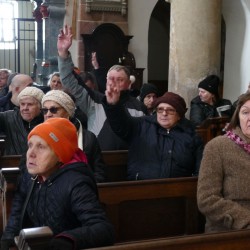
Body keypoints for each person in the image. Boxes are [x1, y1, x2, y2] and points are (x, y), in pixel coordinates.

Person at [0, 118, 115, 250]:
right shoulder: (30, 174)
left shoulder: (75, 183)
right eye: (30, 145)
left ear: (60, 155)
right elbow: (18, 208)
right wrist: (8, 238)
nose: (30, 154)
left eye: (41, 147)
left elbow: (103, 229)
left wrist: (65, 240)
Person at [57, 25, 146, 150]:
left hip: (129, 160)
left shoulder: (139, 107)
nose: (113, 83)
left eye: (119, 80)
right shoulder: (95, 100)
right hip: (98, 160)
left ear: (128, 84)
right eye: (110, 79)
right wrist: (63, 53)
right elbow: (71, 83)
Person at [103, 86, 204, 180]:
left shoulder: (191, 135)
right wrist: (113, 106)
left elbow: (200, 170)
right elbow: (121, 125)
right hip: (140, 189)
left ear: (179, 116)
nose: (164, 114)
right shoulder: (142, 125)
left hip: (178, 193)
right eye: (160, 109)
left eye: (170, 110)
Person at [197, 92, 250, 233]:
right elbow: (207, 199)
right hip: (228, 231)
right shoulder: (218, 147)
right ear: (238, 116)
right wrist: (246, 220)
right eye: (245, 112)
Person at [41, 89, 106, 182]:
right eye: (44, 110)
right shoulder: (36, 136)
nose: (48, 114)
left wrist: (86, 188)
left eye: (53, 110)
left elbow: (99, 172)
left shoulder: (88, 138)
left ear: (67, 112)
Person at [0, 86, 44, 155]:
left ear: (40, 106)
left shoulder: (46, 120)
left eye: (30, 104)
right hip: (12, 163)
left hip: (39, 163)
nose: (25, 108)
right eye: (22, 104)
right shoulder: (8, 117)